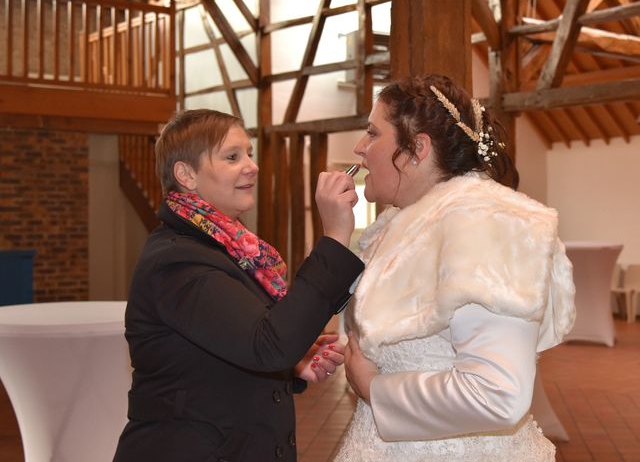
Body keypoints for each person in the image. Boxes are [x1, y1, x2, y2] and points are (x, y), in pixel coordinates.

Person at [334, 74, 576, 461]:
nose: (359, 148)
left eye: (372, 133)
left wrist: (375, 388)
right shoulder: (403, 226)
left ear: (417, 149)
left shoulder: (483, 222)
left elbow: (497, 394)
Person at [113, 109, 364, 462]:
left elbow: (240, 340)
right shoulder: (177, 260)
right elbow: (267, 345)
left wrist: (292, 363)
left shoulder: (233, 250)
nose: (252, 166)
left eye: (249, 153)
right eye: (232, 157)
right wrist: (335, 237)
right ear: (186, 174)